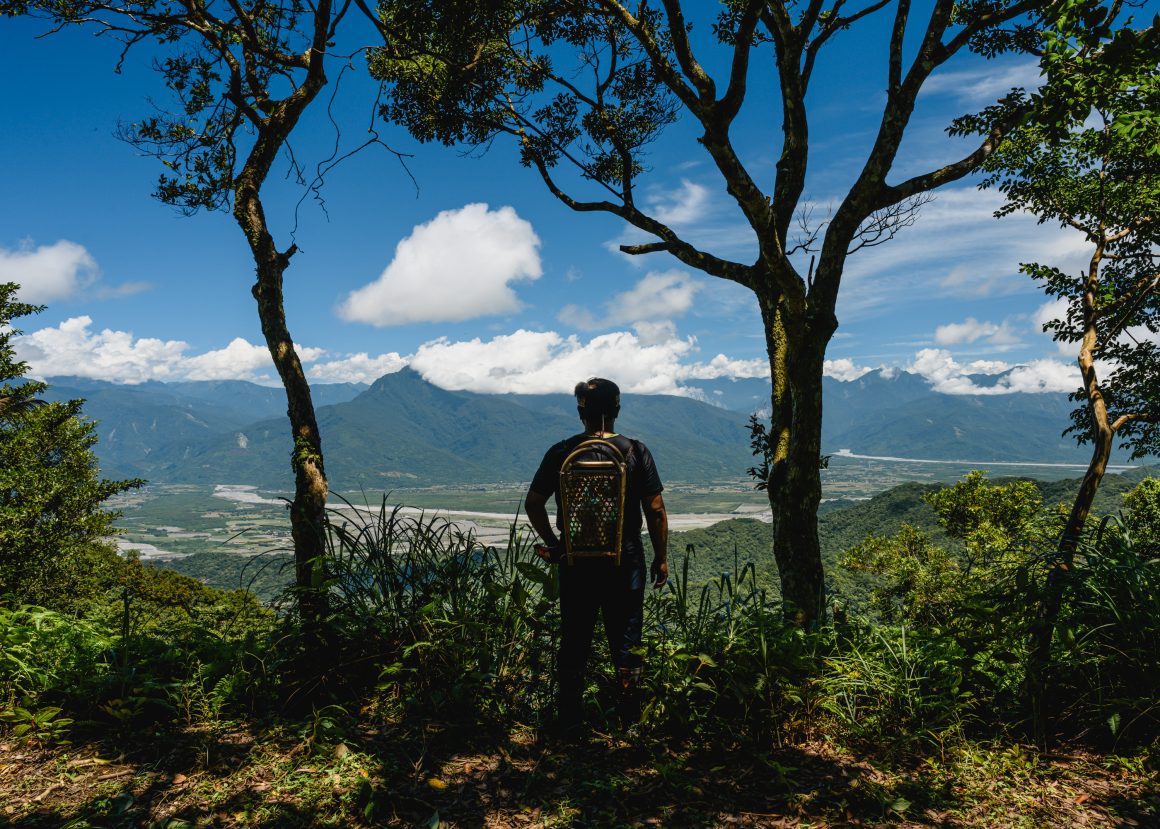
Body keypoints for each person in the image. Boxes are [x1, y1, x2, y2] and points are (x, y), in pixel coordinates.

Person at [525, 377, 669, 734]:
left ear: (580, 412)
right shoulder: (635, 451)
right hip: (626, 560)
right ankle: (628, 720)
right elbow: (655, 508)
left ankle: (570, 720)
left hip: (577, 562)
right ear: (617, 408)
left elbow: (533, 503)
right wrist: (661, 556)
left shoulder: (562, 451)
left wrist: (557, 546)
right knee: (627, 639)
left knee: (575, 639)